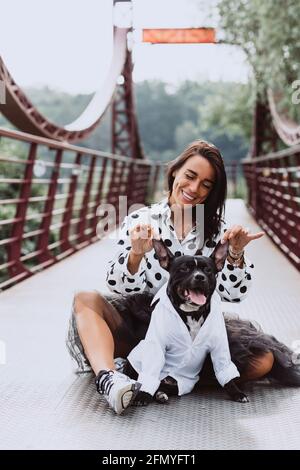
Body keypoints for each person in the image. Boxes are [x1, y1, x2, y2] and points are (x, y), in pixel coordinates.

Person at [66, 140, 275, 415]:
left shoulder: (217, 231)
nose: (194, 189)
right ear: (175, 171)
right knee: (86, 300)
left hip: (192, 331)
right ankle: (110, 380)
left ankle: (172, 378)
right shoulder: (140, 219)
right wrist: (136, 255)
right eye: (190, 176)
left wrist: (235, 254)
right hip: (143, 323)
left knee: (264, 361)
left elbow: (233, 294)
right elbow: (117, 285)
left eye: (206, 184)